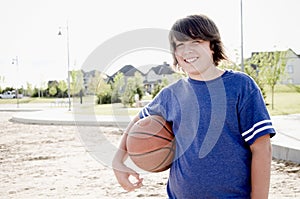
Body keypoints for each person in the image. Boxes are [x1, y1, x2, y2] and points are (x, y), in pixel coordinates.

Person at [113, 14, 275, 199]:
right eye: (179, 45)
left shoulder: (240, 86)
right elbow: (138, 121)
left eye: (195, 41)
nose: (186, 50)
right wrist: (118, 161)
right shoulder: (171, 94)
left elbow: (262, 148)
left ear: (212, 46)